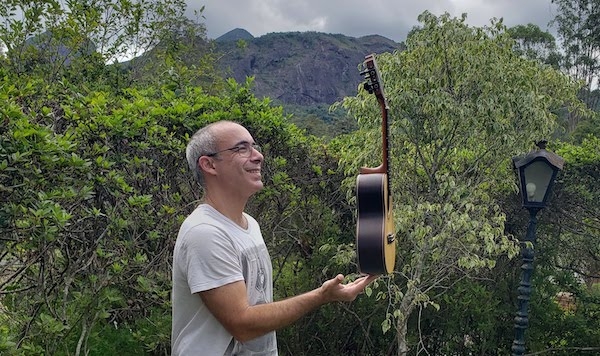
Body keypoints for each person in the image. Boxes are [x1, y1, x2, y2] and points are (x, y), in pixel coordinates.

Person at [171, 120, 377, 355]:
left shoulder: (250, 224)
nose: (258, 156)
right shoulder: (205, 233)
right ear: (209, 164)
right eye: (241, 148)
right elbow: (243, 324)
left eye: (254, 146)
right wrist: (322, 296)